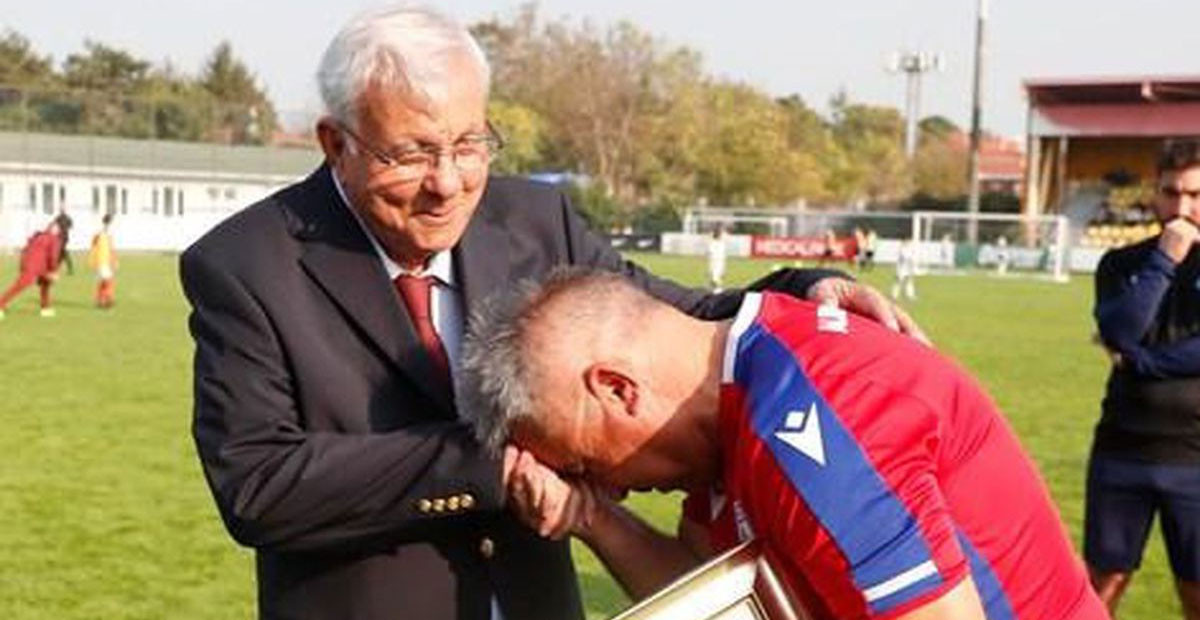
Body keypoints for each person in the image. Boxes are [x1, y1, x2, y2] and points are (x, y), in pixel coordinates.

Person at [178, 6, 921, 619]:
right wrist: (493, 463)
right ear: (335, 143)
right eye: (412, 154)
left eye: (469, 143)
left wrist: (803, 289)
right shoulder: (246, 266)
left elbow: (674, 317)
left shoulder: (535, 222)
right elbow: (259, 484)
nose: (448, 182)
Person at [459, 268, 1108, 620]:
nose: (613, 486)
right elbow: (727, 593)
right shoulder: (739, 396)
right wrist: (594, 519)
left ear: (617, 389)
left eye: (585, 464)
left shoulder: (807, 420)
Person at [1088, 139, 1200, 619]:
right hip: (1122, 450)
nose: (1182, 208)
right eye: (1171, 193)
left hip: (1195, 458)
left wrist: (1137, 362)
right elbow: (1120, 330)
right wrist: (1165, 259)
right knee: (1100, 588)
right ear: (1155, 193)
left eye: (1195, 195)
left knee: (1196, 591)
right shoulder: (1120, 265)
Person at [0, 220, 61, 319]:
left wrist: (22, 266)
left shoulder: (36, 237)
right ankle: (0, 304)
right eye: (58, 228)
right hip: (36, 267)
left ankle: (45, 308)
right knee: (19, 286)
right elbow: (53, 256)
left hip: (33, 265)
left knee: (45, 283)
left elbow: (25, 251)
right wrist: (54, 271)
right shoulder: (53, 239)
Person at [88, 213, 117, 309]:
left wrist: (114, 260)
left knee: (104, 281)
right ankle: (106, 300)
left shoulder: (107, 232)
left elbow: (111, 248)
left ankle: (102, 300)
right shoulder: (101, 233)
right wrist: (92, 260)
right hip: (101, 260)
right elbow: (94, 247)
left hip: (105, 260)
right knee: (106, 281)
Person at [707, 226, 727, 292]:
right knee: (715, 279)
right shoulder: (714, 244)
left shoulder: (720, 243)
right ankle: (716, 290)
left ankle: (715, 289)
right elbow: (711, 255)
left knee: (716, 278)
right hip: (716, 263)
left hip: (718, 263)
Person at [54, 209, 74, 275]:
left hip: (64, 238)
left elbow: (71, 225)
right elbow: (54, 226)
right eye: (61, 210)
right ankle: (69, 269)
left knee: (62, 253)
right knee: (61, 253)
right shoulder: (58, 218)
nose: (62, 211)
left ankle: (68, 268)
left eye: (62, 210)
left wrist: (65, 229)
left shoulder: (66, 218)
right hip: (60, 238)